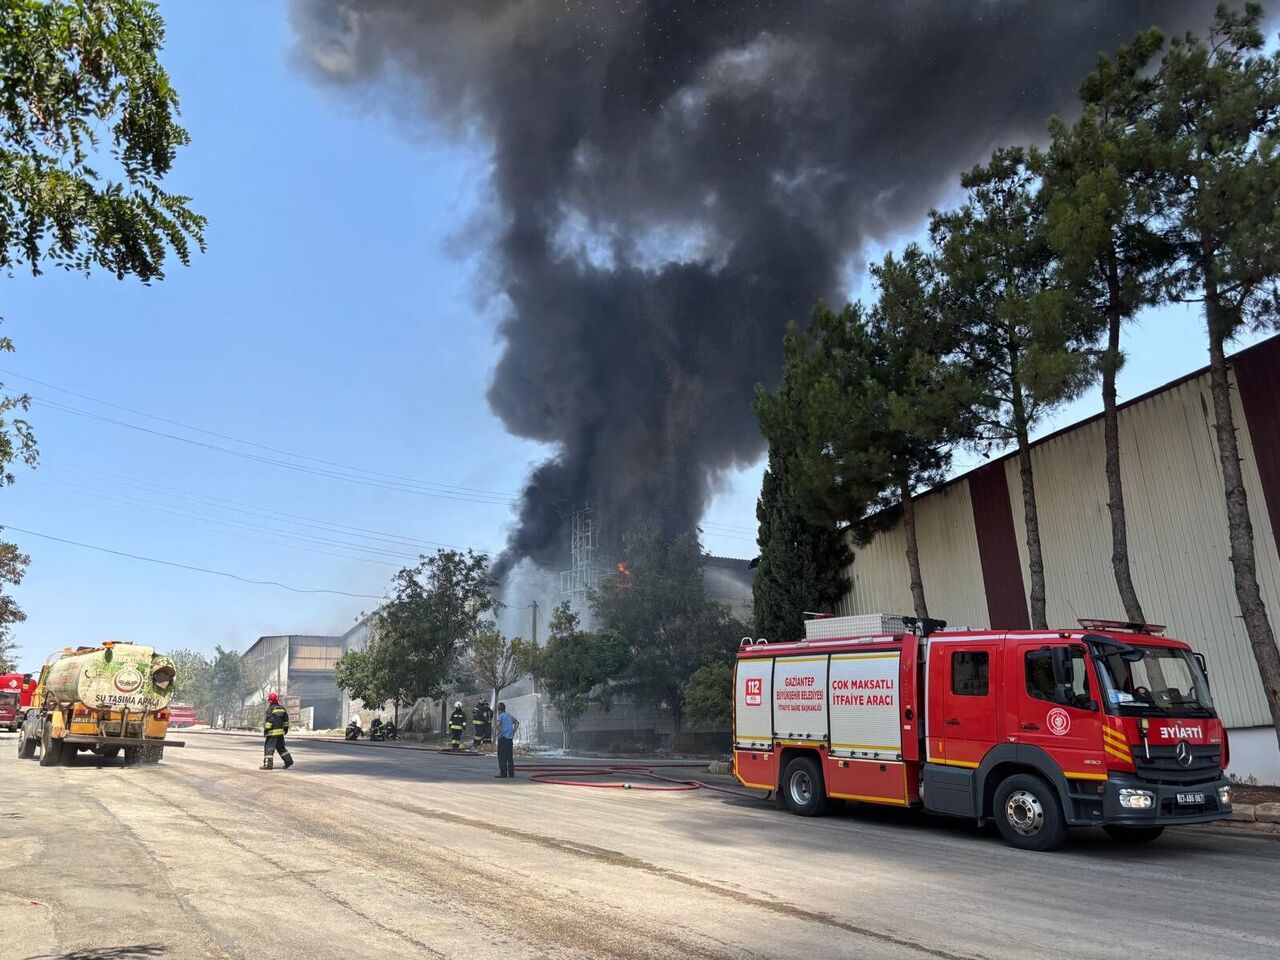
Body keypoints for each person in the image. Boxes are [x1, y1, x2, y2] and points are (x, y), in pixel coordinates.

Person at [262, 692, 293, 770]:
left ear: (270, 701)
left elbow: (269, 722)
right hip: (280, 734)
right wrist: (286, 729)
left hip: (272, 733)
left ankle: (268, 765)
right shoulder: (282, 709)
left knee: (269, 749)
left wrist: (266, 730)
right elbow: (286, 721)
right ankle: (288, 761)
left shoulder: (270, 709)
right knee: (281, 748)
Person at [494, 701, 519, 779]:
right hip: (509, 738)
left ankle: (503, 773)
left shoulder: (500, 716)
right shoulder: (509, 715)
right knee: (509, 757)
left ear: (499, 709)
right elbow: (517, 723)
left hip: (503, 739)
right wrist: (513, 731)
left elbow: (497, 725)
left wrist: (501, 733)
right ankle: (511, 773)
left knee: (502, 757)